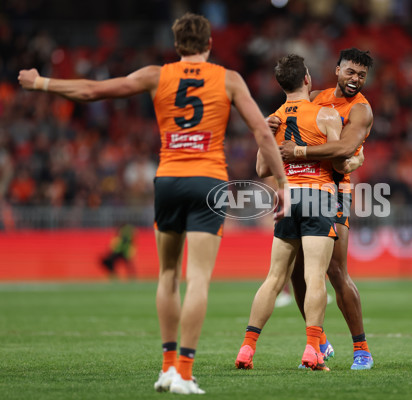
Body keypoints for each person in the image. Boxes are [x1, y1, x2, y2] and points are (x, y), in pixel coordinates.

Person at [19, 13, 289, 394]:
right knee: (198, 278)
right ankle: (184, 371)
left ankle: (166, 368)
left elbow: (93, 91)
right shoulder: (228, 79)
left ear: (176, 45)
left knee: (167, 274)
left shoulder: (155, 75)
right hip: (209, 182)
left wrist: (41, 82)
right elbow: (262, 130)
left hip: (169, 180)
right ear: (209, 44)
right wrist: (281, 182)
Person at [234, 54, 363, 371]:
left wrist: (266, 135)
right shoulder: (326, 115)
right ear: (307, 79)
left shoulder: (273, 119)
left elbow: (262, 168)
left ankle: (247, 349)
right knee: (315, 276)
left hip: (288, 197)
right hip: (318, 195)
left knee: (274, 278)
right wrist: (356, 160)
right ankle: (312, 350)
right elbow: (338, 162)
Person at [277, 48, 375, 370]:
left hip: (335, 190)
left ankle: (361, 348)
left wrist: (300, 151)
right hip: (304, 187)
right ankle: (319, 341)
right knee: (296, 270)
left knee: (335, 270)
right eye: (350, 72)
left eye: (361, 75)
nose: (355, 79)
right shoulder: (315, 98)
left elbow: (346, 150)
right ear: (337, 70)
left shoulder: (361, 110)